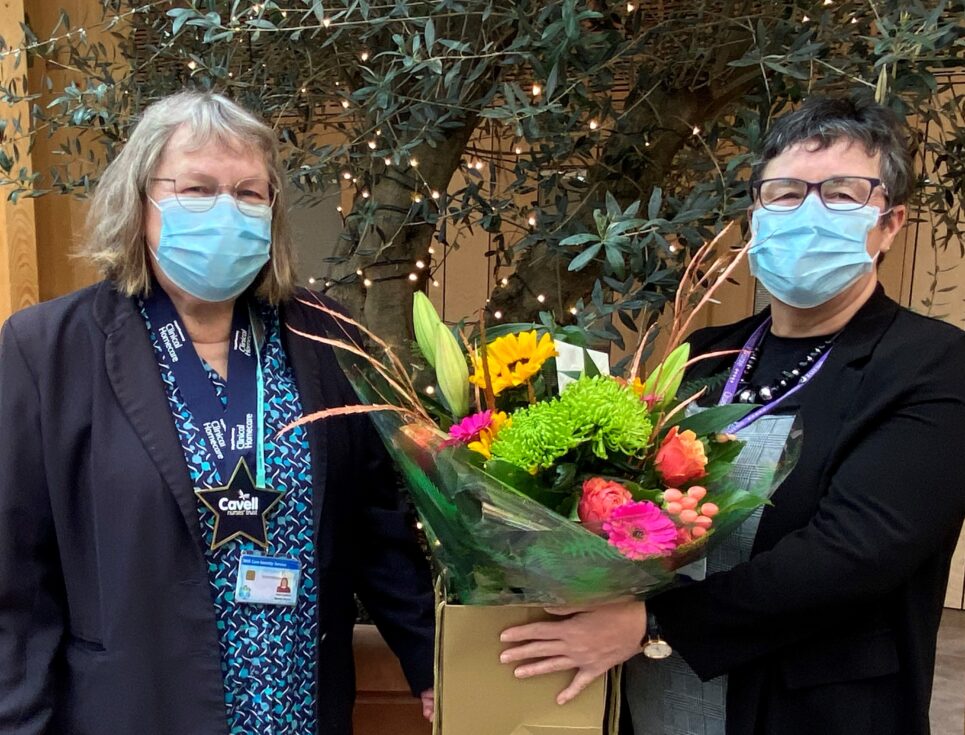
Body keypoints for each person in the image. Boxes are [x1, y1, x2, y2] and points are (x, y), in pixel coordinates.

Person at [499, 96, 965, 734]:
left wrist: (650, 621)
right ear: (755, 219)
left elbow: (856, 552)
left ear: (889, 223)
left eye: (842, 193)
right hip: (658, 701)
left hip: (814, 710)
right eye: (784, 193)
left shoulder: (933, 364)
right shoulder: (701, 359)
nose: (807, 212)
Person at [0, 91, 435, 735]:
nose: (226, 210)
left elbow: (378, 526)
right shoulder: (47, 350)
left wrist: (430, 662)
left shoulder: (325, 336)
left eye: (250, 194)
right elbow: (15, 579)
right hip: (135, 707)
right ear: (139, 202)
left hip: (298, 707)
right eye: (197, 189)